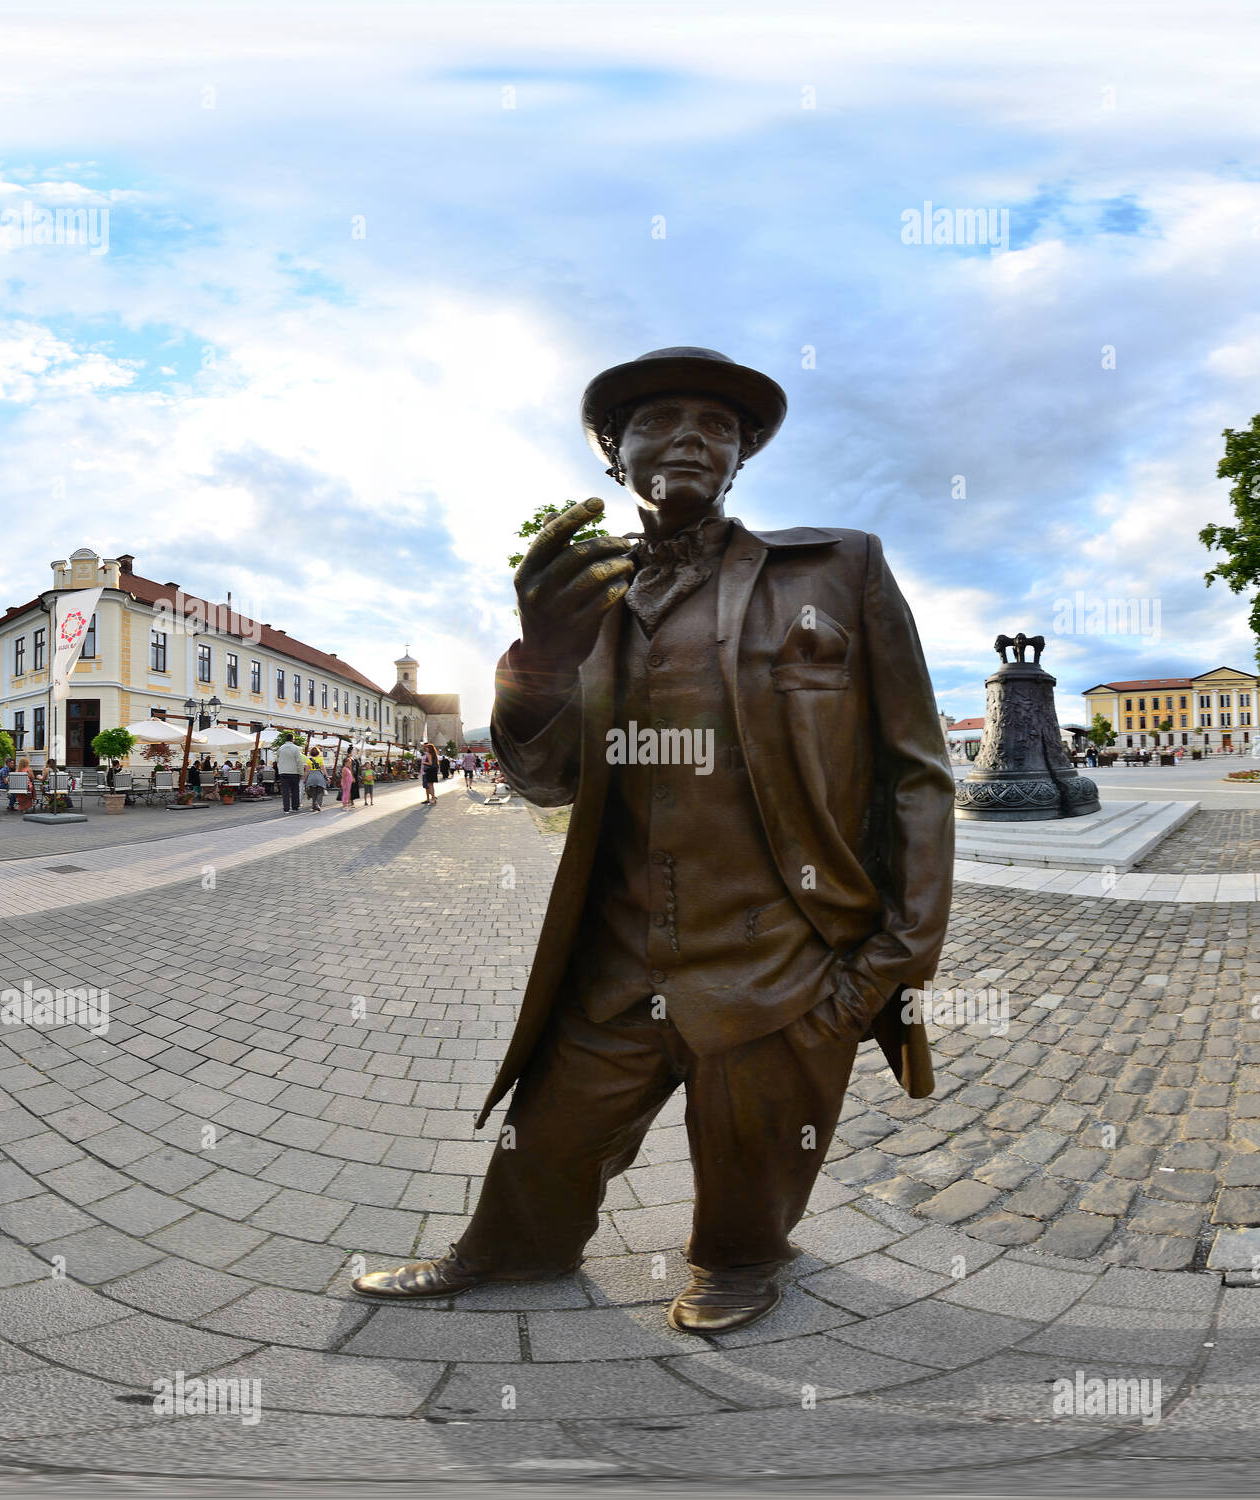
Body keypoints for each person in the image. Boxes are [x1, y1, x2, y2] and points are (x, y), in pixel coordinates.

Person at [351, 347, 950, 1337]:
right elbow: (546, 780)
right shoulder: (591, 606)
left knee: (754, 1150)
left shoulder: (840, 569)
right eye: (657, 420)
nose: (688, 438)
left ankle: (744, 1257)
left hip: (779, 952)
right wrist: (539, 658)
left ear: (742, 460)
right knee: (546, 1138)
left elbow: (916, 773)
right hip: (621, 952)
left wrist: (890, 963)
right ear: (613, 457)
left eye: (718, 426)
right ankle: (507, 1253)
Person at [276, 735, 305, 811]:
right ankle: (295, 807)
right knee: (295, 790)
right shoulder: (296, 748)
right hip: (294, 772)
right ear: (292, 739)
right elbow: (299, 761)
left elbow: (277, 760)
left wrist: (280, 770)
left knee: (285, 791)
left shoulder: (281, 748)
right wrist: (301, 772)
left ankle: (286, 808)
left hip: (283, 772)